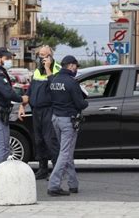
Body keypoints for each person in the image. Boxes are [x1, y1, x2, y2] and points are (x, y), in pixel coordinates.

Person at [0, 47, 28, 190]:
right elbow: (8, 93)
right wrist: (22, 98)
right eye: (7, 58)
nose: (10, 61)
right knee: (3, 149)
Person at [47, 55, 88, 196]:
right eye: (76, 66)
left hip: (56, 119)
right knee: (65, 153)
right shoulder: (72, 82)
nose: (76, 69)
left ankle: (73, 184)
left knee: (66, 152)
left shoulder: (54, 79)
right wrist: (85, 101)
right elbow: (80, 104)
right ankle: (53, 185)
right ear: (71, 66)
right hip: (68, 121)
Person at [18, 46, 60, 180]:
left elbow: (55, 87)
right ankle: (43, 169)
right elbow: (30, 91)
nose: (40, 57)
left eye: (43, 55)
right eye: (39, 55)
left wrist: (48, 68)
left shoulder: (56, 69)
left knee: (50, 140)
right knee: (39, 140)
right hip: (36, 110)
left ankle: (57, 170)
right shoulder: (36, 71)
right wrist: (22, 106)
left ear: (50, 56)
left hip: (49, 109)